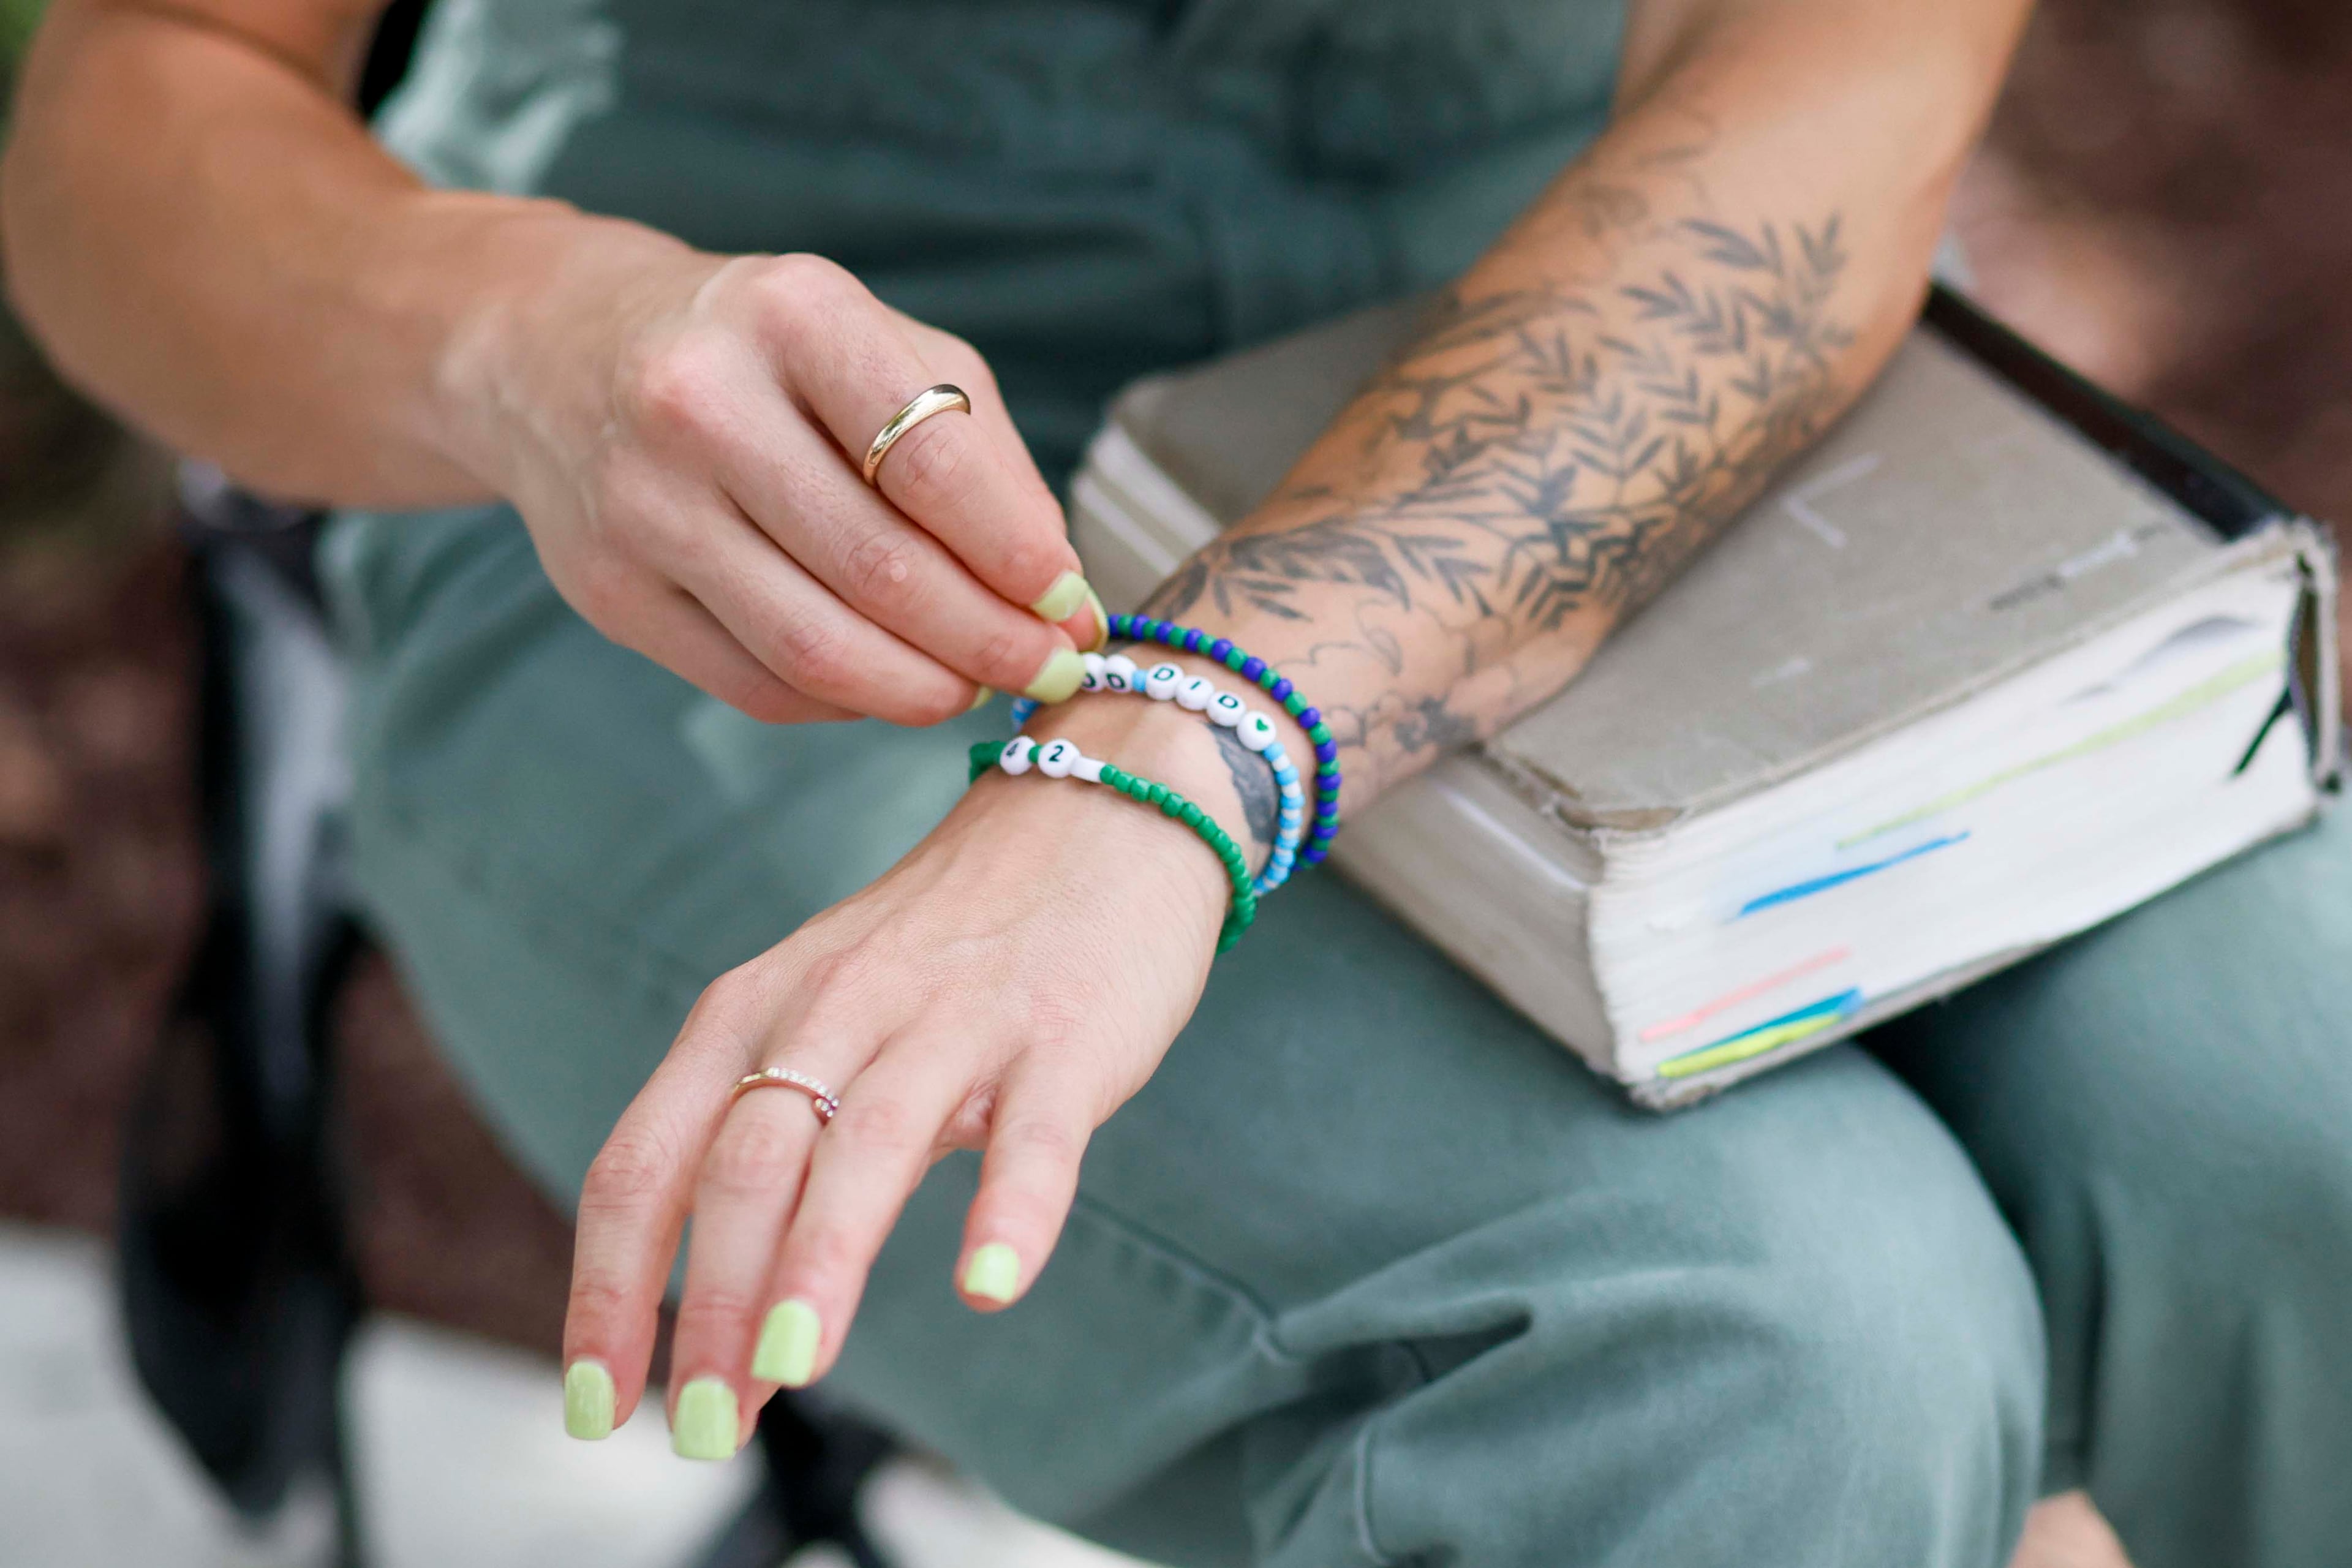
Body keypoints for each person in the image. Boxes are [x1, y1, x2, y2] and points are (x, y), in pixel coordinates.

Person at [6, 1, 2349, 1564]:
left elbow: (1811, 122)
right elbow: (141, 105)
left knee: (2301, 1108)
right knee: (1751, 1340)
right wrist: (523, 342)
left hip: (1608, 376)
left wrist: (1171, 753)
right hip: (744, 500)